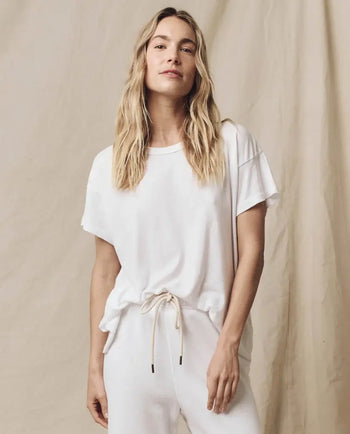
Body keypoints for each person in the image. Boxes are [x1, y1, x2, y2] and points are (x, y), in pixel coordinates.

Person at [81, 7, 280, 434]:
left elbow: (253, 253)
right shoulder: (109, 164)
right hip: (133, 348)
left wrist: (229, 343)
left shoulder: (231, 144)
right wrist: (96, 366)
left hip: (210, 341)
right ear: (143, 61)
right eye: (161, 45)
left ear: (197, 67)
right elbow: (104, 271)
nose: (173, 55)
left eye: (186, 48)